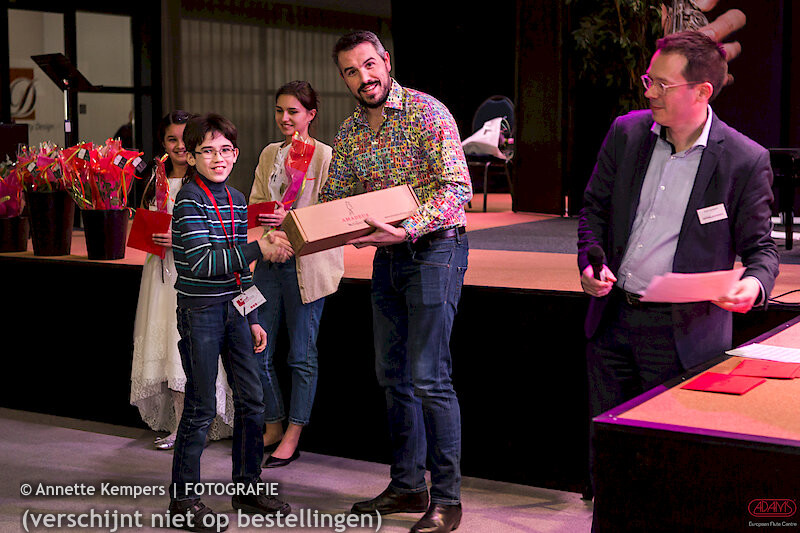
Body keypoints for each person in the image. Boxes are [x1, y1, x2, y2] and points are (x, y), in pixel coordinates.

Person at [577, 29, 779, 520]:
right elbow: (593, 210)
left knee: (669, 469)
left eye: (661, 84)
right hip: (613, 320)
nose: (649, 91)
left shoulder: (743, 159)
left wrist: (752, 286)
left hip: (684, 335)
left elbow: (761, 252)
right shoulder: (627, 133)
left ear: (702, 91)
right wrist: (588, 261)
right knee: (611, 460)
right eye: (649, 80)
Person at [321, 30, 471, 533]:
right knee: (392, 375)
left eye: (369, 65)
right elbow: (338, 198)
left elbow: (457, 190)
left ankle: (447, 499)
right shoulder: (349, 133)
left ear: (386, 61)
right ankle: (408, 485)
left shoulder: (428, 112)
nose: (363, 77)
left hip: (435, 248)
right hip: (386, 256)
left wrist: (407, 229)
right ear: (343, 78)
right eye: (351, 71)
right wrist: (307, 226)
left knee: (430, 377)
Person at [168, 113, 294, 531]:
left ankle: (247, 488)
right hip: (201, 312)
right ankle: (183, 501)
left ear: (236, 154)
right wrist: (260, 247)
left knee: (253, 400)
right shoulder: (188, 200)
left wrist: (253, 316)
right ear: (192, 157)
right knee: (201, 407)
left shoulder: (237, 199)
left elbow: (240, 271)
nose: (217, 158)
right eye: (207, 151)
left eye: (225, 150)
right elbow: (202, 264)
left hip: (236, 312)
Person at [250, 81, 344, 468]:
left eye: (293, 111)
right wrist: (270, 232)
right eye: (279, 110)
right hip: (270, 258)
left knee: (301, 356)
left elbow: (332, 213)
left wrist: (289, 224)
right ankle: (273, 423)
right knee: (256, 348)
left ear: (310, 115)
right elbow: (257, 203)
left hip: (307, 263)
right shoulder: (269, 153)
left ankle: (293, 434)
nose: (285, 118)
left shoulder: (325, 156)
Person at [130, 111, 235, 451]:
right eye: (170, 139)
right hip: (157, 273)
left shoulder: (203, 182)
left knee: (186, 345)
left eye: (182, 139)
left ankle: (190, 425)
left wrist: (178, 238)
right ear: (162, 143)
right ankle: (177, 421)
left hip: (190, 272)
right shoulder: (154, 179)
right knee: (164, 345)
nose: (177, 146)